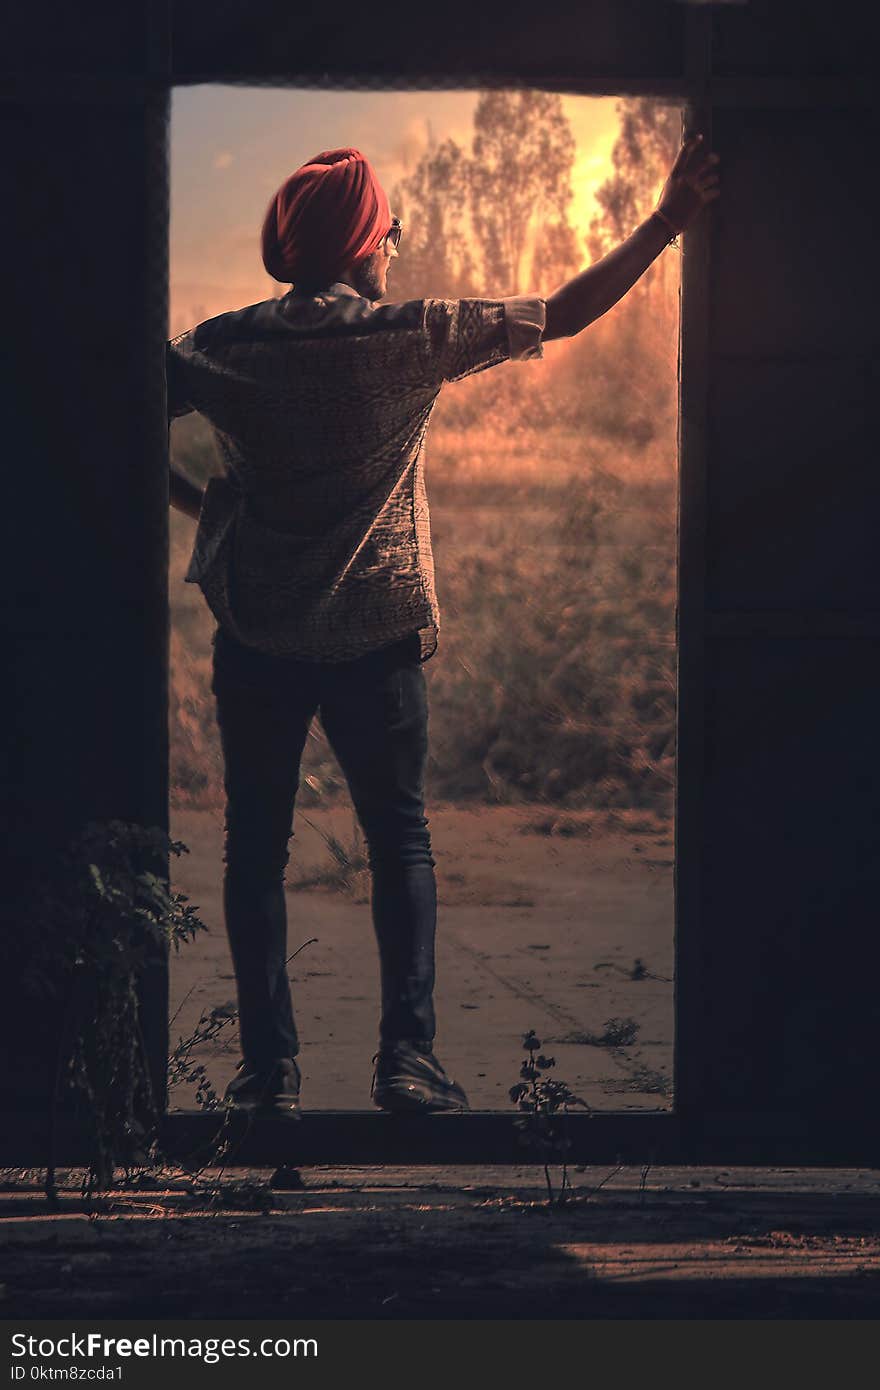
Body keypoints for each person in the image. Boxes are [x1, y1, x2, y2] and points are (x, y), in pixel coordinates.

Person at [166, 136, 719, 1117]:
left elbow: (113, 410)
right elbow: (565, 311)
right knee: (400, 842)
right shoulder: (405, 336)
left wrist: (199, 506)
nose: (396, 248)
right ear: (368, 242)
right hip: (375, 634)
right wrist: (667, 220)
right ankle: (406, 1064)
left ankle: (266, 1075)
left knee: (253, 851)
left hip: (255, 636)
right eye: (392, 232)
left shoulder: (222, 347)